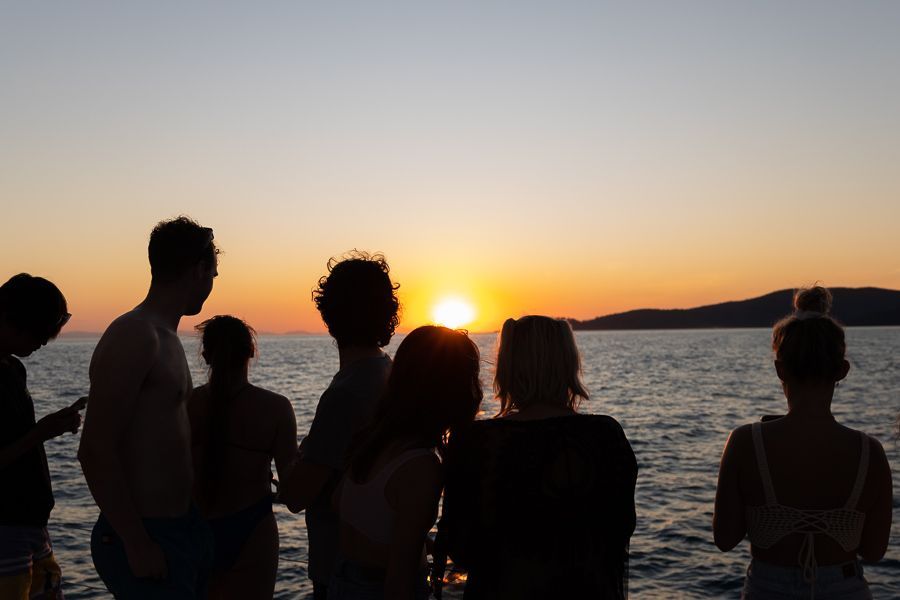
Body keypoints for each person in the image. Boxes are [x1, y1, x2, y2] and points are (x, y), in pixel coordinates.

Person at [435, 315, 637, 600]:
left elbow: (461, 546)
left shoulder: (477, 441)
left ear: (508, 368)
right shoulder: (606, 435)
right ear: (568, 364)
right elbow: (621, 528)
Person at [714, 286, 893, 599]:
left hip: (767, 589)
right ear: (842, 371)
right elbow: (875, 551)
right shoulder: (869, 452)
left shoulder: (746, 442)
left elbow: (725, 538)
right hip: (846, 589)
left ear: (780, 369)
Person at [79, 216, 219, 599]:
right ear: (198, 269)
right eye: (213, 274)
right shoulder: (136, 335)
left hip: (181, 527)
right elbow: (95, 449)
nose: (210, 286)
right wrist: (137, 542)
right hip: (146, 533)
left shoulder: (167, 337)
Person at [279, 251, 400, 599]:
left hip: (346, 575)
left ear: (328, 315)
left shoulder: (345, 395)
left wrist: (288, 456)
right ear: (387, 314)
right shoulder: (390, 375)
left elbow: (298, 495)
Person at [330, 325, 482, 600]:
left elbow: (343, 505)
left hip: (342, 579)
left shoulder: (373, 439)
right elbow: (397, 583)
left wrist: (419, 541)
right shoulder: (421, 468)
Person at [187, 315, 298, 599]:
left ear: (206, 356)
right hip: (252, 529)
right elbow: (294, 491)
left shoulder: (186, 405)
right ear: (250, 352)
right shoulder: (275, 409)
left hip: (193, 528)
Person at [0, 273, 83, 600]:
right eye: (38, 333)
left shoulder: (13, 369)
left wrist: (49, 429)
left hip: (32, 527)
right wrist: (41, 432)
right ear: (10, 319)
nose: (43, 342)